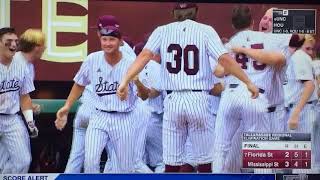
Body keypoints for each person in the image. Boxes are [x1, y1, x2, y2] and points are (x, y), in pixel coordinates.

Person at [117, 2, 259, 173]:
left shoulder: (162, 31)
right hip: (198, 99)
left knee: (171, 164)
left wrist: (125, 80)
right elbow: (224, 59)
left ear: (174, 12)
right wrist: (248, 81)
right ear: (196, 12)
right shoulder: (206, 30)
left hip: (173, 100)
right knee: (205, 162)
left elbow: (144, 55)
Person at [212, 5, 290, 172]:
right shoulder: (260, 40)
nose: (267, 21)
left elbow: (277, 59)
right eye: (265, 18)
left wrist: (239, 51)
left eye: (272, 20)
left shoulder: (282, 40)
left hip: (274, 111)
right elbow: (219, 70)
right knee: (241, 160)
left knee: (276, 165)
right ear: (255, 22)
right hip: (254, 102)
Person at [55, 20, 139, 173]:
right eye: (104, 39)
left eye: (112, 39)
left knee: (125, 167)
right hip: (98, 115)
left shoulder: (131, 61)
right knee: (90, 161)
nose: (107, 43)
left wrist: (137, 82)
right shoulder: (92, 59)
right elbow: (79, 83)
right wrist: (67, 106)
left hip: (124, 118)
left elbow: (145, 95)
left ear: (120, 42)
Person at [0, 27, 35, 173]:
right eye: (9, 41)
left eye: (16, 41)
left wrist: (30, 122)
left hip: (12, 119)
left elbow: (24, 96)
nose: (13, 45)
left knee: (23, 161)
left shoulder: (22, 66)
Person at [285, 34, 318, 173]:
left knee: (302, 164)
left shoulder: (299, 56)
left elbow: (310, 85)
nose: (310, 53)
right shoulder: (296, 57)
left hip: (302, 110)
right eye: (307, 48)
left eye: (311, 49)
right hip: (303, 109)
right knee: (300, 162)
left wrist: (296, 112)